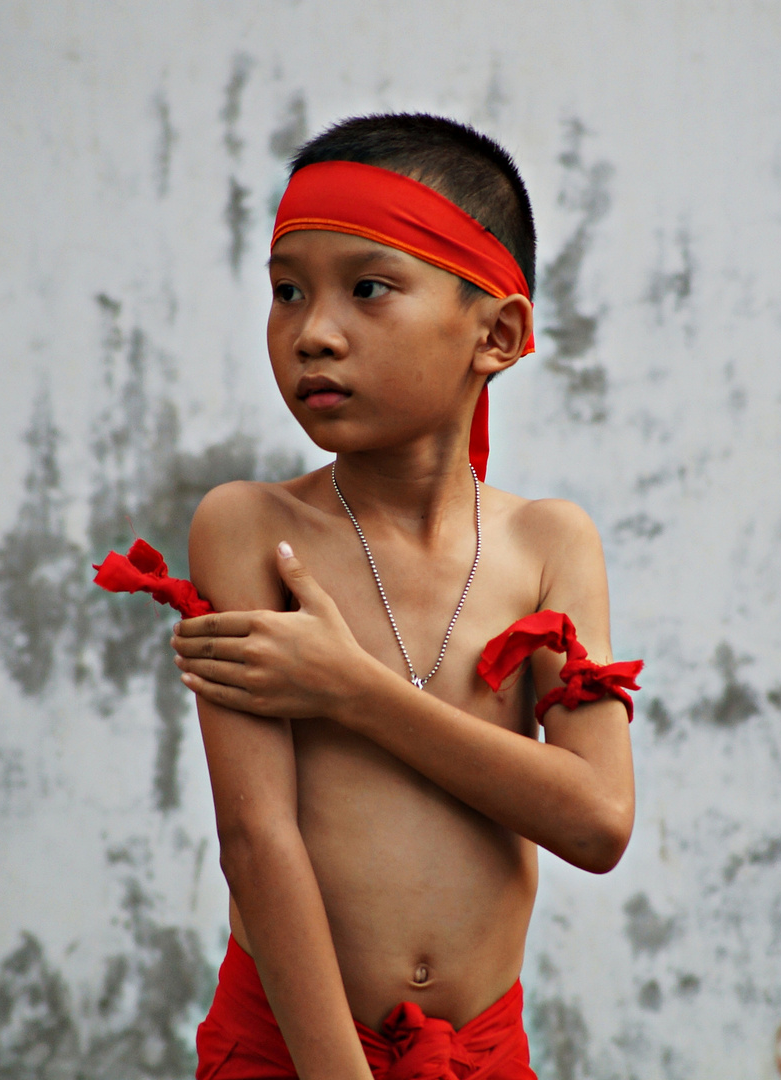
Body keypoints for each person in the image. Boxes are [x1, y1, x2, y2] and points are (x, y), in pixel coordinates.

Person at [163, 114, 638, 1080]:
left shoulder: (548, 544)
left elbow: (596, 822)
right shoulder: (250, 529)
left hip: (482, 1056)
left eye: (368, 289)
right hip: (290, 1052)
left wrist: (352, 692)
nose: (313, 333)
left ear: (496, 333)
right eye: (287, 292)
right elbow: (257, 841)